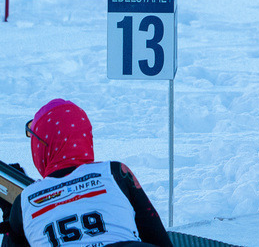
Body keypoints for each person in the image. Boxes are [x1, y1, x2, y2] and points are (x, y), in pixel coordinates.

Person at [0, 99, 172, 247]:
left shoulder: (25, 201)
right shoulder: (116, 173)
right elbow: (158, 237)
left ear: (41, 146)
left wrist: (11, 212)